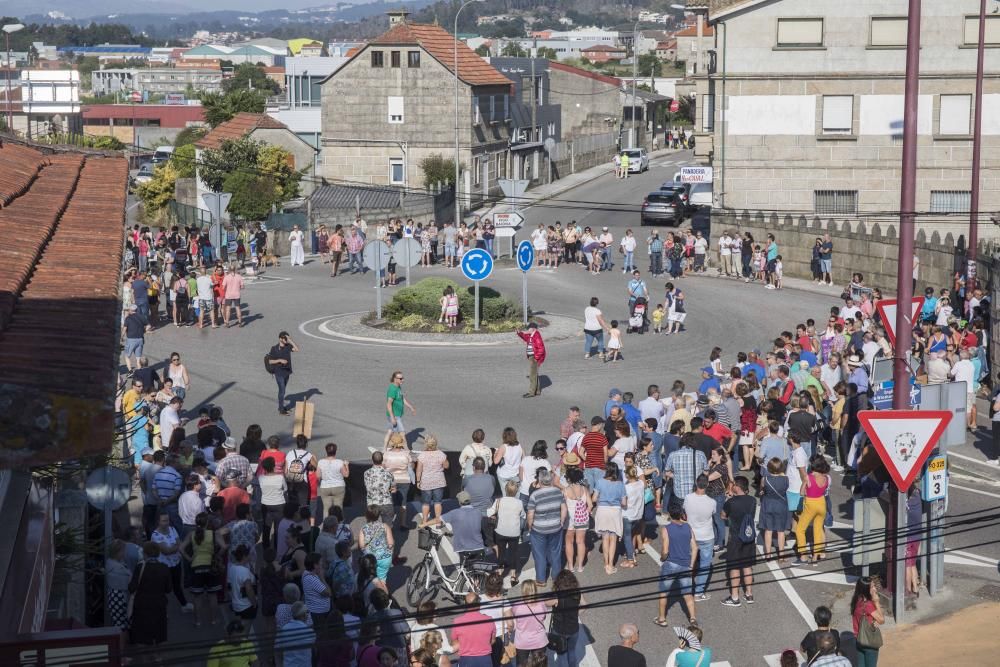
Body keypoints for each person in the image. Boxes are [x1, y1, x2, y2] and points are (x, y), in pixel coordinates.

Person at [655, 507, 697, 627]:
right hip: (686, 564)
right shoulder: (688, 527)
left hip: (671, 564)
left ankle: (662, 618)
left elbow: (665, 550)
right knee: (688, 594)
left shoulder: (666, 529)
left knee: (664, 593)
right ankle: (693, 618)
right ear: (681, 514)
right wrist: (691, 565)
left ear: (669, 515)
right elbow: (695, 547)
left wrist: (662, 558)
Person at [721, 476, 757, 607]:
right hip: (749, 537)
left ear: (736, 486)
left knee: (734, 567)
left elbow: (723, 516)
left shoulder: (731, 502)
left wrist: (728, 498)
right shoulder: (753, 500)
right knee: (747, 566)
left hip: (735, 538)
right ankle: (749, 594)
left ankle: (735, 597)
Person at [129, 541, 172, 648]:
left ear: (145, 553)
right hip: (159, 605)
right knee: (159, 635)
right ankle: (159, 659)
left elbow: (132, 588)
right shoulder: (164, 568)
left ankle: (145, 660)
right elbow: (168, 589)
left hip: (142, 605)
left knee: (142, 637)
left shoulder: (140, 567)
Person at [526, 468, 565, 585]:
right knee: (555, 552)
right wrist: (562, 521)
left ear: (540, 480)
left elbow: (530, 513)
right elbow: (564, 508)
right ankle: (556, 577)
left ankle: (541, 579)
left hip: (539, 529)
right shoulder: (558, 492)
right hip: (556, 527)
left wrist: (529, 526)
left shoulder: (535, 495)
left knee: (539, 554)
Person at [683, 475, 716, 600]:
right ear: (707, 485)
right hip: (707, 536)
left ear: (696, 483)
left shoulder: (688, 498)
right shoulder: (712, 502)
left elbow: (684, 511)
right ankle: (699, 592)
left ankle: (686, 588)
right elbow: (713, 513)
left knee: (689, 562)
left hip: (691, 535)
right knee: (705, 565)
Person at [795, 456, 830, 564]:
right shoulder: (826, 478)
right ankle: (815, 556)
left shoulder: (808, 477)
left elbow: (801, 492)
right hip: (822, 503)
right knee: (818, 530)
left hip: (811, 504)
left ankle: (803, 556)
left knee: (800, 529)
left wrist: (807, 489)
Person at [547, 569, 583, 667]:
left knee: (562, 655)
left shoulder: (557, 597)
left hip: (559, 631)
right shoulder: (577, 592)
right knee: (572, 652)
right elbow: (584, 604)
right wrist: (576, 614)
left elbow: (545, 603)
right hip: (574, 629)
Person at [507, 579, 549, 664]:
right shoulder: (541, 604)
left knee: (522, 664)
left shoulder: (517, 606)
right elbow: (543, 617)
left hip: (522, 642)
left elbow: (514, 617)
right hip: (539, 641)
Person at [451, 592, 495, 667]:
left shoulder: (457, 621)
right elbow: (493, 640)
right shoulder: (489, 620)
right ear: (479, 604)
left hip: (466, 660)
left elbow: (454, 643)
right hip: (485, 660)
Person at [852, 576, 885, 667]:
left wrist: (873, 620)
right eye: (872, 587)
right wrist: (877, 601)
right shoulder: (868, 605)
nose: (875, 589)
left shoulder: (857, 600)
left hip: (858, 640)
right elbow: (882, 620)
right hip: (869, 641)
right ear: (866, 590)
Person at [417, 435, 449, 523]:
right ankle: (438, 521)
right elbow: (446, 466)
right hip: (439, 481)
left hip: (426, 481)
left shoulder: (422, 455)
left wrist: (418, 481)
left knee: (426, 503)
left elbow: (419, 470)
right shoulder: (441, 454)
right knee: (438, 502)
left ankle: (424, 521)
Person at [267, 331, 299, 415]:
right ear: (280, 339)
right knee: (282, 390)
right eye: (285, 339)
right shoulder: (274, 348)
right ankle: (281, 409)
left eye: (286, 339)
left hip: (287, 372)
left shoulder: (288, 346)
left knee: (282, 390)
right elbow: (270, 361)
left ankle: (281, 406)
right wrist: (280, 360)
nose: (286, 340)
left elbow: (297, 349)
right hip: (279, 372)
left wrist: (290, 340)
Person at [275, 601, 315, 667]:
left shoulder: (284, 629)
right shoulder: (309, 632)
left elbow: (278, 649)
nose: (308, 614)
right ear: (304, 615)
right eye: (307, 612)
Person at [384, 370, 416, 447]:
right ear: (395, 379)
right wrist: (392, 417)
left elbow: (402, 398)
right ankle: (407, 450)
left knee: (390, 431)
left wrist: (410, 407)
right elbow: (389, 404)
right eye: (400, 378)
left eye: (402, 378)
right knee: (402, 433)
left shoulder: (398, 387)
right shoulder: (392, 389)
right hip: (394, 415)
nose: (403, 380)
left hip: (397, 415)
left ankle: (384, 449)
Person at [516, 322, 547, 397]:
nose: (527, 330)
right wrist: (520, 333)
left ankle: (531, 392)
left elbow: (541, 349)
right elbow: (526, 338)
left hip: (534, 357)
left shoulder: (536, 336)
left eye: (528, 328)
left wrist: (536, 358)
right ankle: (537, 391)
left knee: (532, 375)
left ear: (533, 328)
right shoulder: (532, 335)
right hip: (532, 357)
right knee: (535, 374)